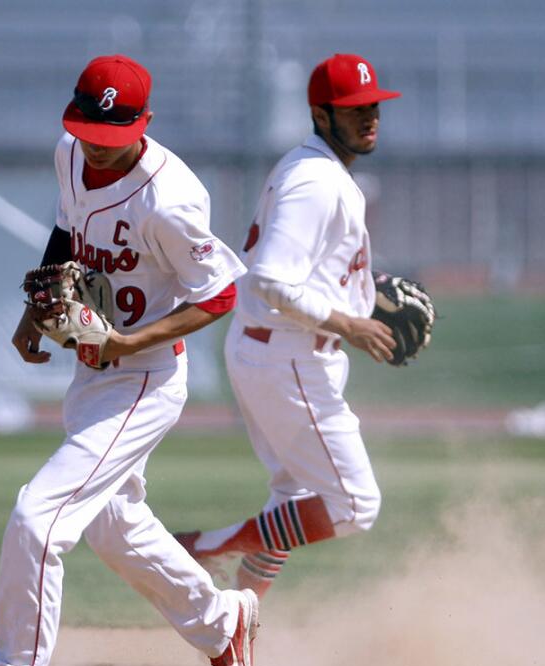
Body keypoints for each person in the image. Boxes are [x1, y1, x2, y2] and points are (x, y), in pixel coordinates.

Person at [0, 54, 259, 666]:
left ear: (143, 126)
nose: (97, 145)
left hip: (144, 378)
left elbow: (222, 293)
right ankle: (223, 623)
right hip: (93, 372)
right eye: (89, 130)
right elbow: (69, 228)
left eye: (112, 135)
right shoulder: (70, 154)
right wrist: (37, 308)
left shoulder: (171, 198)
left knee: (39, 515)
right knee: (116, 527)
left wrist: (129, 342)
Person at [170, 53, 402, 598]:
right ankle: (203, 547)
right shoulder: (316, 181)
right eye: (352, 109)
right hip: (288, 354)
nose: (368, 117)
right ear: (321, 115)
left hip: (276, 352)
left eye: (373, 106)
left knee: (295, 498)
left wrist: (361, 292)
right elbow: (270, 279)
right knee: (354, 505)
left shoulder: (311, 166)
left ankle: (243, 613)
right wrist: (350, 321)